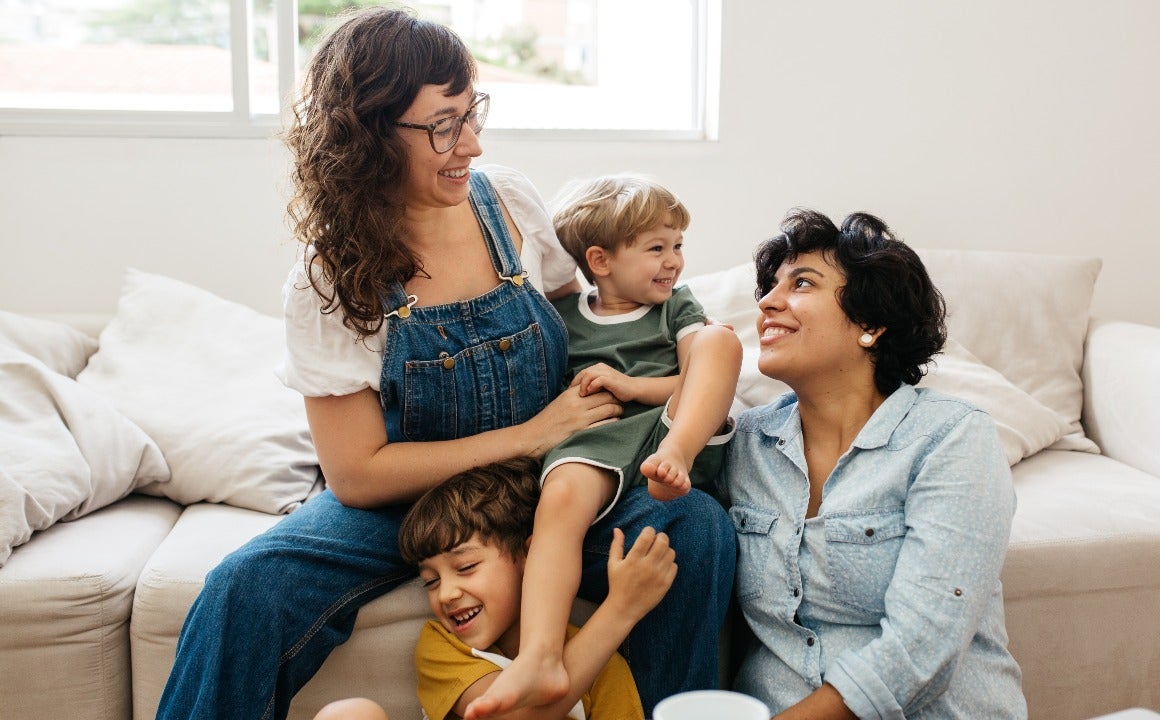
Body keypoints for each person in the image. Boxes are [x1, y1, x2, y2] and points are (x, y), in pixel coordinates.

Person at [154, 7, 735, 719]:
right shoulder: (330, 279)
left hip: (553, 480)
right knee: (246, 587)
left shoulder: (510, 204)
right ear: (368, 137)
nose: (472, 144)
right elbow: (357, 473)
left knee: (694, 528)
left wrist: (652, 390)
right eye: (442, 126)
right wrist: (527, 434)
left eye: (471, 113)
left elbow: (583, 330)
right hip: (410, 500)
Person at [722, 209, 1027, 719]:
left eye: (801, 283)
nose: (768, 303)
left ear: (870, 324)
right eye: (768, 288)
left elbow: (922, 646)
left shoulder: (951, 437)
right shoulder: (747, 445)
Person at [470, 176, 742, 717]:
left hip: (670, 429)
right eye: (656, 248)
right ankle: (541, 655)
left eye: (678, 246)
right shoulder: (564, 318)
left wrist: (634, 387)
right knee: (562, 498)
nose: (674, 262)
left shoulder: (676, 309)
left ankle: (679, 459)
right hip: (599, 437)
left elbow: (698, 375)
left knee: (720, 339)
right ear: (600, 260)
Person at [402, 457, 673, 720]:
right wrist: (620, 610)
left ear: (530, 556)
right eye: (431, 581)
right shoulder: (441, 646)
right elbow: (512, 715)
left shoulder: (601, 664)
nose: (447, 594)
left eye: (465, 567)